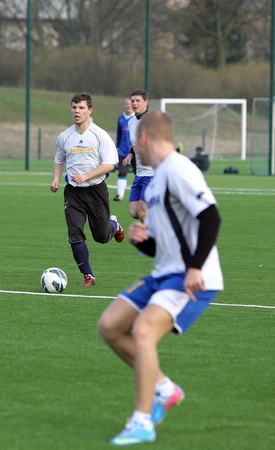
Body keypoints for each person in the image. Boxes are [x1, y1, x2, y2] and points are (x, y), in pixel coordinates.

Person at [98, 111, 223, 446]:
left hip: (190, 275)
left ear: (143, 139)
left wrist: (196, 267)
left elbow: (211, 216)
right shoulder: (156, 181)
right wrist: (146, 240)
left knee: (143, 332)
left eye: (134, 140)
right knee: (110, 326)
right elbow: (166, 242)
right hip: (164, 272)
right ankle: (165, 389)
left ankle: (142, 422)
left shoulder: (179, 169)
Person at [51, 92, 125, 287]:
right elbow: (59, 159)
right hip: (73, 192)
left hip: (96, 191)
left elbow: (110, 164)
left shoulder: (100, 135)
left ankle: (113, 225)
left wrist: (86, 175)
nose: (77, 111)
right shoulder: (64, 137)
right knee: (74, 233)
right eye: (74, 107)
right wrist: (56, 179)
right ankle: (88, 276)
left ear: (89, 110)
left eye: (81, 107)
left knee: (101, 237)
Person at [122, 89, 154, 221]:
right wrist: (130, 155)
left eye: (138, 101)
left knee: (142, 213)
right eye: (133, 101)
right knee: (134, 212)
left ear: (146, 102)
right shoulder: (131, 122)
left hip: (153, 173)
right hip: (139, 173)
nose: (134, 103)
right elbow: (134, 144)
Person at [114, 98, 135, 201]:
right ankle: (120, 195)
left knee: (139, 174)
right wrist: (117, 147)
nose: (128, 105)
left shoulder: (137, 118)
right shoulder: (121, 118)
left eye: (130, 103)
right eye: (126, 104)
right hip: (123, 151)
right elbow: (119, 134)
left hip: (136, 151)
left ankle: (141, 195)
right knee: (122, 173)